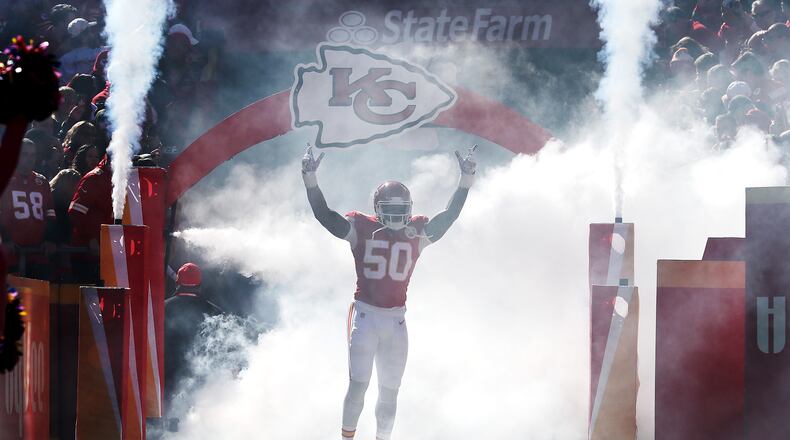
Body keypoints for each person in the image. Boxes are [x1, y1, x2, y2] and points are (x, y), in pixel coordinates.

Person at [301, 145, 477, 440]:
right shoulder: (362, 227)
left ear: (409, 209)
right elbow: (324, 215)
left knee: (389, 394)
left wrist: (465, 181)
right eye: (391, 210)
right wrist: (310, 179)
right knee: (358, 387)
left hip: (396, 321)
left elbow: (449, 217)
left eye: (401, 210)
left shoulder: (415, 231)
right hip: (366, 317)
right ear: (377, 208)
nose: (397, 217)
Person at [164, 262, 221, 430]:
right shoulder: (214, 312)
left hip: (166, 378)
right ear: (200, 284)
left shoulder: (160, 308)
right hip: (200, 382)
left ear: (177, 283)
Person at [0, 139, 57, 279]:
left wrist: (50, 239)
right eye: (24, 154)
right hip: (11, 255)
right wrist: (5, 240)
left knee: (38, 298)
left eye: (32, 155)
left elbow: (50, 214)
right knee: (13, 298)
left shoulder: (42, 182)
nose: (29, 159)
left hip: (37, 254)